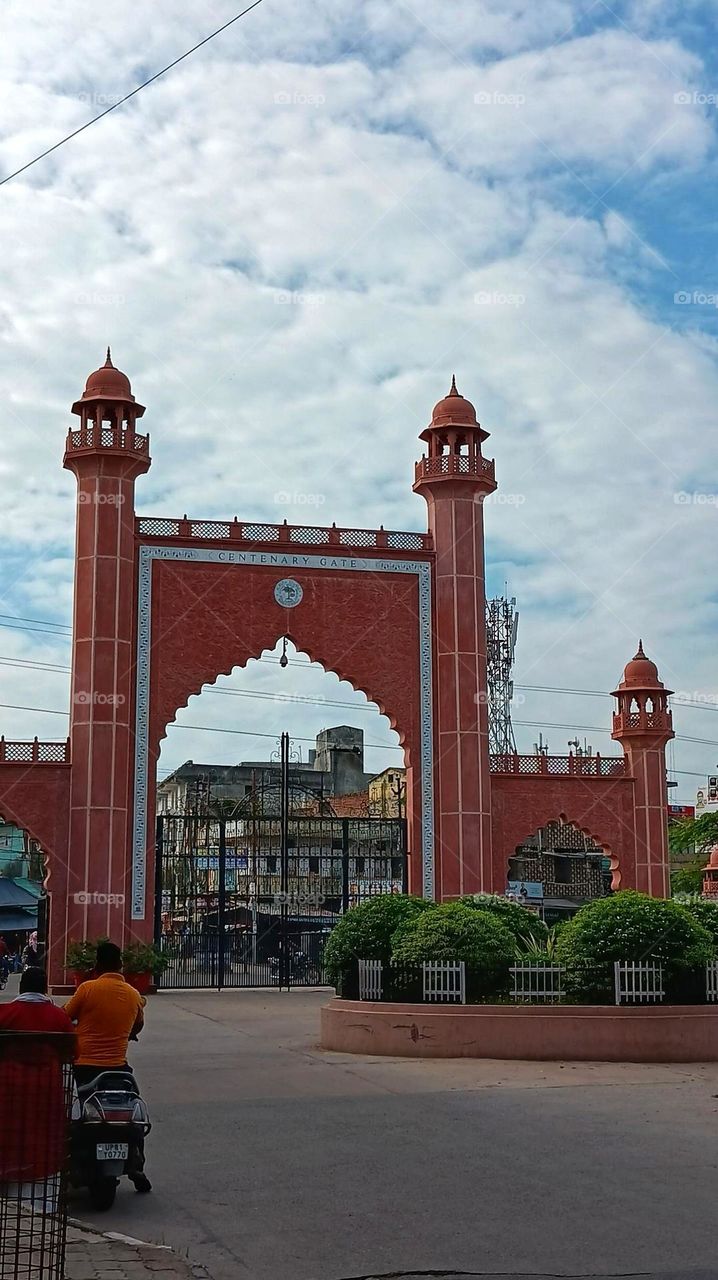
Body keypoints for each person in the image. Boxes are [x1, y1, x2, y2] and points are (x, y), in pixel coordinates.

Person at [63, 941, 151, 1192]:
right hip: (117, 1069)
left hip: (83, 1068)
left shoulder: (87, 989)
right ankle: (137, 1164)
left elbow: (65, 1016)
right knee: (133, 1107)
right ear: (120, 964)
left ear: (97, 965)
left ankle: (68, 1160)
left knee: (70, 1113)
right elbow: (137, 1026)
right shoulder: (134, 995)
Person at [0, 967, 76, 1203]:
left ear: (21, 987)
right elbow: (72, 1053)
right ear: (45, 988)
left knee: (8, 1139)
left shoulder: (5, 1014)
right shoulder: (59, 1018)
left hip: (8, 1091)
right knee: (43, 1141)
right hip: (47, 1091)